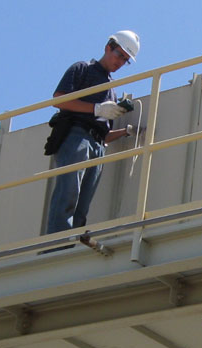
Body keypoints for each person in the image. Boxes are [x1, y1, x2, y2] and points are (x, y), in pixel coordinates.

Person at [43, 30, 140, 234]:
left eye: (125, 60)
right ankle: (55, 245)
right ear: (108, 48)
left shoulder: (111, 89)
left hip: (98, 146)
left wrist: (125, 132)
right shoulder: (83, 68)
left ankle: (71, 243)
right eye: (119, 55)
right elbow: (59, 99)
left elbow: (104, 134)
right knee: (68, 193)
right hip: (77, 136)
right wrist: (96, 108)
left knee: (82, 204)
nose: (120, 62)